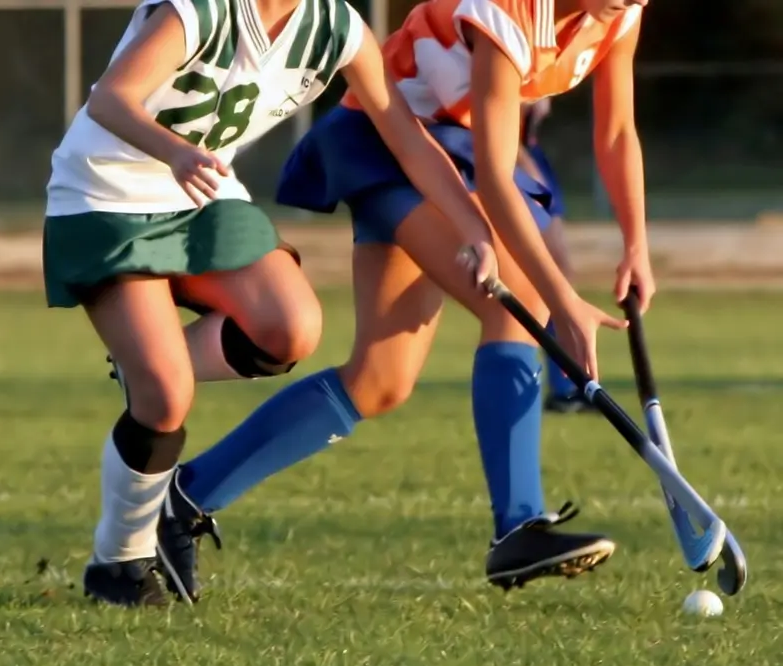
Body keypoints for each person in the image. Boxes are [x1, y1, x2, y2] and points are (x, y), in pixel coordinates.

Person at [121, 0, 658, 605]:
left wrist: (636, 244)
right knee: (520, 303)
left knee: (380, 381)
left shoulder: (620, 15)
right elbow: (498, 170)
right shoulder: (507, 14)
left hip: (444, 158)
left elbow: (616, 131)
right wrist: (562, 300)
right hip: (389, 146)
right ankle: (518, 526)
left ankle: (185, 497)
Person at [43, 0, 510, 608]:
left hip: (201, 198)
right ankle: (119, 562)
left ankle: (149, 361)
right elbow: (109, 99)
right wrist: (177, 151)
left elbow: (409, 141)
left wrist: (474, 228)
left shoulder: (338, 27)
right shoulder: (201, 11)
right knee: (165, 398)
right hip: (105, 195)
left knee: (291, 328)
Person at [519, 98, 595, 413]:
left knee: (558, 274)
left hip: (530, 159)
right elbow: (496, 121)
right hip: (516, 161)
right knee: (554, 275)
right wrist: (528, 170)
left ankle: (569, 385)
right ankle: (565, 387)